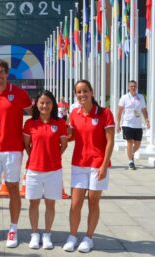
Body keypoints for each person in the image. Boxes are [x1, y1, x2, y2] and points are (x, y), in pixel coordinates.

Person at [0, 59, 32, 248]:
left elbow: (35, 114)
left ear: (7, 73)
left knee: (13, 190)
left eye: (1, 72)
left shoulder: (20, 94)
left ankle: (13, 229)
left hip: (13, 149)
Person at [63, 80, 115, 253]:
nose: (82, 95)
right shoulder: (74, 114)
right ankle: (72, 236)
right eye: (78, 92)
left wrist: (104, 165)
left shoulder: (105, 113)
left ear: (92, 92)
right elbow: (71, 137)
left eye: (85, 91)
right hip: (79, 163)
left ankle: (89, 238)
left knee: (93, 202)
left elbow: (110, 141)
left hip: (97, 164)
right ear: (75, 95)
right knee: (75, 203)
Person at [23, 90, 68, 249]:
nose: (45, 106)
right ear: (37, 104)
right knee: (33, 204)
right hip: (34, 170)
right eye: (42, 102)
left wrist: (53, 156)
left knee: (50, 204)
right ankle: (34, 234)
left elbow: (64, 145)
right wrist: (35, 156)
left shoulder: (60, 123)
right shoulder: (29, 123)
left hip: (54, 170)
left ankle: (47, 234)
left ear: (53, 105)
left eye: (48, 103)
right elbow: (27, 145)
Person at [116, 80, 150, 170]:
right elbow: (119, 111)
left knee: (138, 144)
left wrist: (146, 120)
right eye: (131, 86)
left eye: (134, 86)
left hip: (138, 125)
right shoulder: (124, 98)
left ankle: (131, 153)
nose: (133, 88)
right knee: (130, 142)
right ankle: (130, 161)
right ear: (128, 87)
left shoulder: (141, 97)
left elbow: (144, 110)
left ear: (137, 87)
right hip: (127, 123)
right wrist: (118, 124)